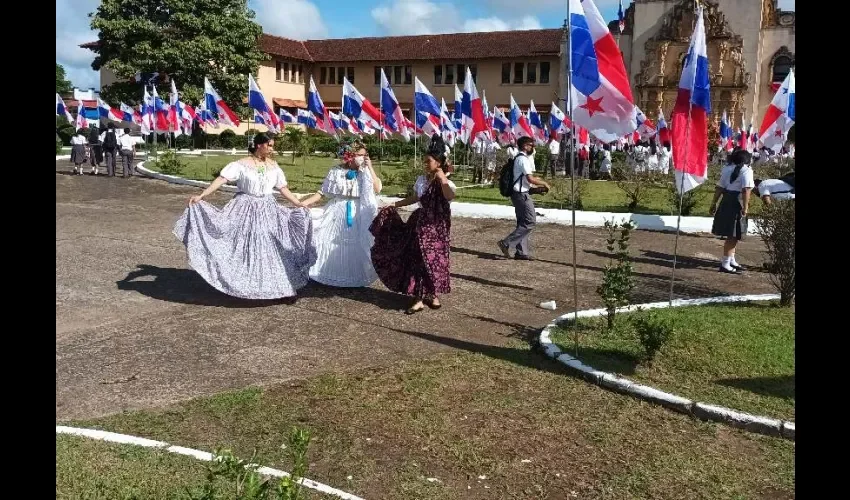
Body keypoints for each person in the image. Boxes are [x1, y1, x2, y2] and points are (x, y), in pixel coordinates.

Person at [173, 133, 316, 301]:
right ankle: (245, 282)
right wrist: (202, 195)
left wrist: (298, 203)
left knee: (268, 246)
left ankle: (273, 285)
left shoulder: (273, 165)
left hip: (268, 209)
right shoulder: (241, 164)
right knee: (245, 245)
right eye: (269, 145)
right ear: (258, 145)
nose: (272, 149)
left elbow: (283, 188)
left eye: (272, 145)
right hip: (245, 208)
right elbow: (222, 179)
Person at [370, 135, 455, 315]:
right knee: (416, 260)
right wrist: (395, 204)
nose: (425, 163)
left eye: (429, 161)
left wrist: (443, 179)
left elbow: (449, 196)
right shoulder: (422, 180)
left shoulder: (444, 180)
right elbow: (416, 198)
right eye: (425, 160)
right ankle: (418, 298)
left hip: (437, 226)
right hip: (419, 224)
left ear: (438, 163)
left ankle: (431, 294)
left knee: (433, 261)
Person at [300, 141, 382, 288]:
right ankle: (328, 273)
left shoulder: (365, 173)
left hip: (358, 212)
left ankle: (353, 276)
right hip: (337, 210)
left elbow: (377, 189)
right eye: (360, 155)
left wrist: (369, 167)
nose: (363, 158)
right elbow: (322, 193)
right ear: (350, 156)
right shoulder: (335, 171)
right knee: (330, 240)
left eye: (365, 155)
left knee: (356, 243)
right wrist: (303, 204)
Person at [497, 136, 551, 260]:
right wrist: (544, 183)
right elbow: (530, 179)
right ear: (525, 146)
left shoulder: (519, 158)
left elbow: (524, 181)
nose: (533, 147)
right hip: (521, 195)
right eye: (531, 145)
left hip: (519, 194)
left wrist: (535, 189)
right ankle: (506, 243)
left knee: (522, 223)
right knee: (530, 221)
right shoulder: (523, 159)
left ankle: (521, 252)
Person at [709, 149, 754, 274]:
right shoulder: (747, 170)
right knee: (733, 234)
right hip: (737, 201)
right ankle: (725, 263)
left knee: (734, 233)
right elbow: (746, 190)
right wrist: (745, 207)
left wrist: (714, 203)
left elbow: (719, 188)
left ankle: (731, 259)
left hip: (727, 200)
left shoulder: (727, 169)